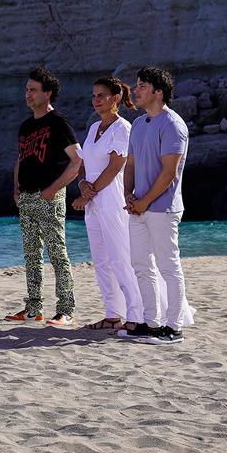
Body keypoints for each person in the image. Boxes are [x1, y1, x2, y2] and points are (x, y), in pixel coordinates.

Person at [121, 66, 196, 345]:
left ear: (158, 92)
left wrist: (144, 201)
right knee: (140, 264)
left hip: (163, 208)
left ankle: (174, 327)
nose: (135, 90)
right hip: (139, 207)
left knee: (168, 265)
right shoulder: (139, 124)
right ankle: (151, 322)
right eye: (136, 84)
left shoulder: (173, 124)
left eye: (141, 85)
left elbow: (169, 172)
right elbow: (131, 163)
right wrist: (128, 194)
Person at [4, 67, 81, 327]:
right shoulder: (26, 126)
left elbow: (77, 161)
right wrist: (16, 187)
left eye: (33, 90)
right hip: (25, 197)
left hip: (49, 197)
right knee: (32, 255)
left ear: (47, 93)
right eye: (27, 89)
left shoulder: (59, 123)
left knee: (57, 252)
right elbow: (21, 158)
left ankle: (66, 310)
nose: (28, 94)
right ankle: (33, 308)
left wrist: (54, 189)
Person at [73, 76, 144, 332]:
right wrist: (82, 184)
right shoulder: (93, 128)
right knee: (101, 260)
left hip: (112, 200)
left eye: (101, 95)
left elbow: (116, 167)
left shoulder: (122, 128)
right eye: (93, 96)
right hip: (93, 202)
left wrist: (86, 195)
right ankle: (113, 314)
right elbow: (84, 164)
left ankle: (136, 314)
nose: (96, 100)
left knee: (120, 257)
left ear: (115, 98)